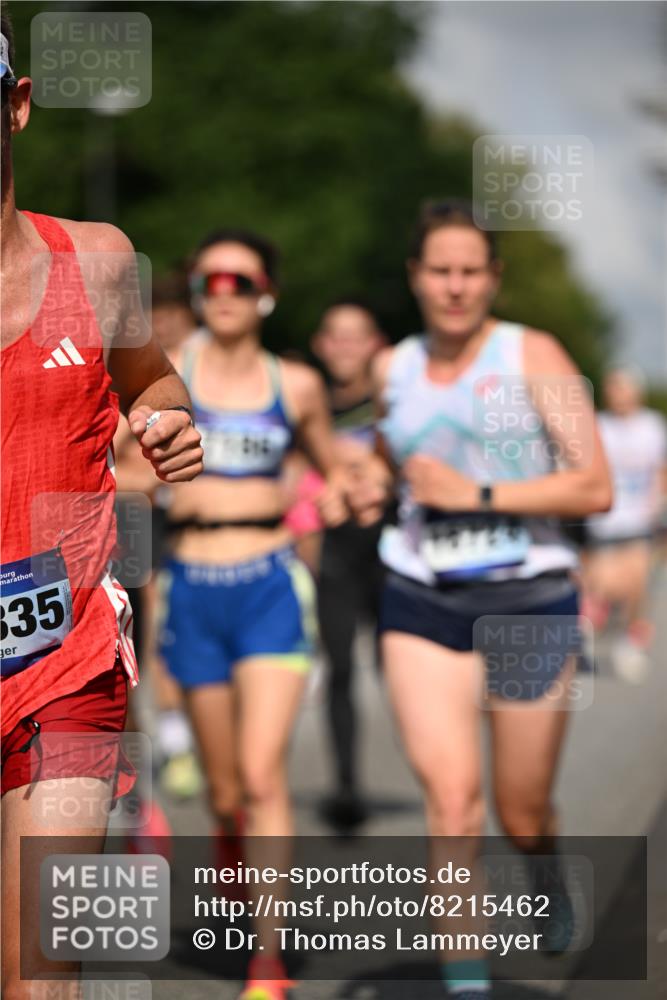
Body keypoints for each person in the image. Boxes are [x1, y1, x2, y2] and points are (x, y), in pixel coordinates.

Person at [352, 199, 612, 999]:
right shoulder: (390, 366)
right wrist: (368, 487)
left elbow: (594, 486)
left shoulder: (531, 354)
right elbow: (393, 470)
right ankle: (466, 983)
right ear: (415, 276)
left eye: (471, 271)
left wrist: (482, 491)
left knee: (519, 810)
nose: (455, 287)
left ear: (492, 277)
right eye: (440, 270)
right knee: (454, 805)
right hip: (420, 598)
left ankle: (542, 871)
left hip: (529, 601)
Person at [0, 15, 203, 999]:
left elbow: (153, 379)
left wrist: (170, 421)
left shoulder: (100, 261)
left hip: (63, 652)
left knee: (41, 967)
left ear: (18, 103)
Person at [156, 227, 347, 1000]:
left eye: (239, 281)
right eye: (210, 282)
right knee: (225, 788)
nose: (224, 294)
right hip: (193, 587)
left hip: (269, 581)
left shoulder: (294, 383)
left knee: (265, 773)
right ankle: (230, 833)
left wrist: (339, 494)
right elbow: (127, 465)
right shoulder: (169, 372)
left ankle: (267, 966)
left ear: (266, 291)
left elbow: (336, 470)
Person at [310, 297, 386, 830]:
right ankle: (347, 786)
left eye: (355, 334)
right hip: (333, 556)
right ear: (320, 346)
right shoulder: (307, 406)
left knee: (399, 674)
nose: (344, 346)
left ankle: (448, 780)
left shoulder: (393, 403)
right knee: (339, 670)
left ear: (375, 345)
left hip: (393, 556)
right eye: (334, 335)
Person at [582, 366, 667, 682]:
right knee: (600, 584)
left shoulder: (652, 426)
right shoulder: (599, 426)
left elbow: (660, 469)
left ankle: (629, 642)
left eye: (624, 388)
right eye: (614, 388)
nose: (619, 394)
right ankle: (589, 632)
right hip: (604, 520)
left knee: (638, 584)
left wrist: (657, 508)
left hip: (641, 519)